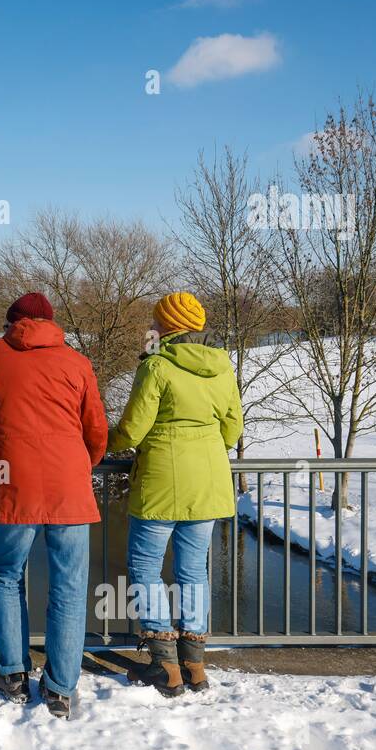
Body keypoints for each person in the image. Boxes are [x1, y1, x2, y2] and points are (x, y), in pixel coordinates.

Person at [0, 292, 108, 719]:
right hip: (68, 487)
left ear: (11, 322)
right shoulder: (77, 362)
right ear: (52, 323)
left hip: (11, 482)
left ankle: (13, 672)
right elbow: (96, 427)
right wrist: (81, 464)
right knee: (70, 587)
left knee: (7, 575)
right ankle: (59, 687)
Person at [108, 292, 243, 697]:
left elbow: (133, 430)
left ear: (166, 326)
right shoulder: (222, 368)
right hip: (207, 483)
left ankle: (165, 665)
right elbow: (233, 429)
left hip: (162, 483)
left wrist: (103, 444)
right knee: (193, 572)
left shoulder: (156, 367)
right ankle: (195, 666)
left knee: (147, 569)